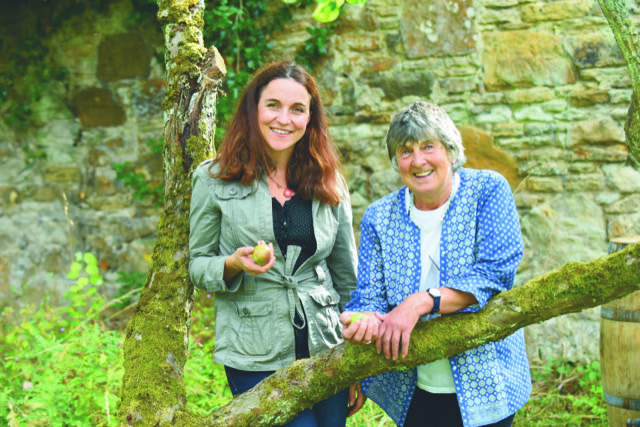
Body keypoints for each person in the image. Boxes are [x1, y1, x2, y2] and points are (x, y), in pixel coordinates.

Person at [188, 60, 364, 426]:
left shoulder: (330, 184)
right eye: (273, 106)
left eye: (297, 109)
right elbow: (197, 264)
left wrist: (356, 363)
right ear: (254, 109)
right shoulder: (214, 179)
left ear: (310, 119)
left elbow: (348, 279)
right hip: (255, 351)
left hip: (326, 346)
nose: (284, 119)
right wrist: (233, 264)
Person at [340, 101, 531, 427]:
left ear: (451, 152)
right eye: (405, 151)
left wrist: (419, 302)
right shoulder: (379, 217)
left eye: (428, 146)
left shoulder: (487, 191)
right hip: (412, 388)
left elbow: (495, 272)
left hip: (487, 383)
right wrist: (363, 322)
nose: (418, 161)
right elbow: (370, 296)